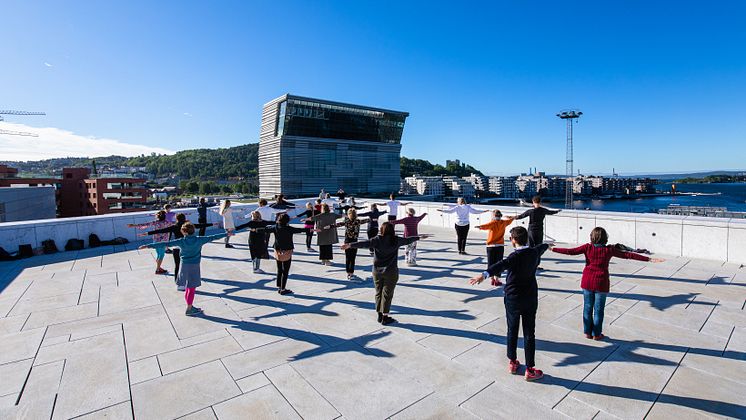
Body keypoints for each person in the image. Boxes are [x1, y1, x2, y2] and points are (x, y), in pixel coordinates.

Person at [550, 227, 664, 340]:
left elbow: (570, 252)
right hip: (601, 283)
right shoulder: (609, 250)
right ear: (605, 238)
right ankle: (597, 334)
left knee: (587, 307)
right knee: (599, 310)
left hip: (587, 282)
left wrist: (552, 249)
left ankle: (587, 332)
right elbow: (628, 255)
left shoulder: (587, 247)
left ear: (592, 237)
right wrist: (649, 259)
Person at [469, 226, 549, 381]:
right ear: (526, 238)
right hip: (530, 297)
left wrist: (483, 275)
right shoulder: (533, 252)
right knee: (529, 333)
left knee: (512, 329)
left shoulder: (514, 257)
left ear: (513, 240)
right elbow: (541, 247)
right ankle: (530, 370)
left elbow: (500, 265)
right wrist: (548, 246)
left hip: (513, 298)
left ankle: (513, 362)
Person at [341, 222, 428, 325]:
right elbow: (408, 240)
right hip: (391, 271)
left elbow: (364, 243)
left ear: (381, 230)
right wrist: (418, 237)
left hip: (377, 271)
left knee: (378, 292)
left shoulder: (377, 240)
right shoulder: (395, 240)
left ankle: (379, 315)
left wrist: (350, 245)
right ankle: (385, 317)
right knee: (387, 294)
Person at [139, 222, 232, 316]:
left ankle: (190, 306)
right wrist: (226, 234)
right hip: (194, 266)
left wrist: (148, 245)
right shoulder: (200, 239)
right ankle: (189, 308)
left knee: (187, 287)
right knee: (191, 288)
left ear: (184, 232)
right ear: (193, 231)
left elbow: (165, 243)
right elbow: (213, 237)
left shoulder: (181, 241)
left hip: (184, 265)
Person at [145, 213, 216, 284]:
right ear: (184, 218)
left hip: (177, 248)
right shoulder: (187, 226)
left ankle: (177, 281)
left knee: (177, 265)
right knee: (187, 265)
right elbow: (200, 225)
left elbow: (162, 230)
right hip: (186, 248)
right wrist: (212, 224)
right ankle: (187, 280)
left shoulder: (174, 226)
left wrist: (148, 233)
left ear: (176, 219)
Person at [262, 213, 315, 295]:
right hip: (287, 250)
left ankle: (279, 285)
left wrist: (255, 229)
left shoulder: (276, 227)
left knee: (279, 268)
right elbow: (300, 230)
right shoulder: (289, 228)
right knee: (285, 270)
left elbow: (265, 229)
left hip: (277, 250)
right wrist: (311, 229)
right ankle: (283, 289)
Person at [513, 195, 561, 270]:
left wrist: (511, 218)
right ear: (540, 202)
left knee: (531, 247)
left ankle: (530, 264)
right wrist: (557, 211)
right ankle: (537, 265)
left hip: (531, 231)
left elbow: (520, 216)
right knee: (538, 248)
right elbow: (551, 212)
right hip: (539, 231)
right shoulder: (543, 210)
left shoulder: (530, 211)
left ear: (533, 202)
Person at [475, 210, 515, 285]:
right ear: (500, 216)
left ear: (494, 216)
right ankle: (497, 279)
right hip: (500, 245)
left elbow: (486, 226)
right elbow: (511, 220)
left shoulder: (493, 222)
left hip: (491, 246)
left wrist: (480, 227)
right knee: (499, 263)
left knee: (491, 262)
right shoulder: (504, 223)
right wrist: (511, 217)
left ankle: (492, 279)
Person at [334, 208, 370, 280]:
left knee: (348, 257)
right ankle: (351, 272)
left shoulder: (346, 221)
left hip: (347, 241)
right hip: (354, 241)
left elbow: (338, 224)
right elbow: (366, 220)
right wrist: (371, 218)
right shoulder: (358, 221)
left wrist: (329, 226)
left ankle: (348, 273)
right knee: (352, 257)